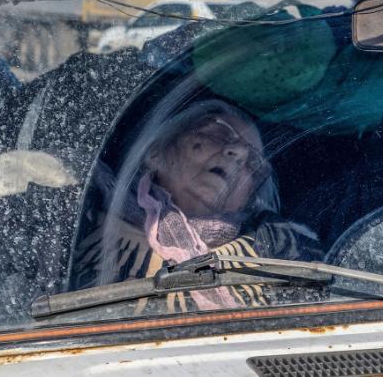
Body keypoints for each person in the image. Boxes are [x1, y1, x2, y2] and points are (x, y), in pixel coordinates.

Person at [71, 99, 320, 313]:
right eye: (220, 134)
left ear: (248, 198)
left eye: (253, 162)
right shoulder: (80, 210)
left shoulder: (280, 245)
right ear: (155, 153)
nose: (237, 152)